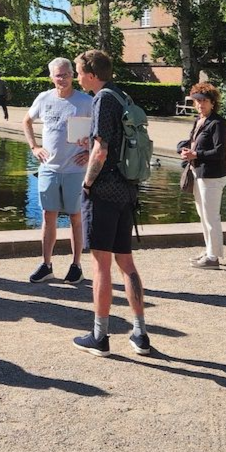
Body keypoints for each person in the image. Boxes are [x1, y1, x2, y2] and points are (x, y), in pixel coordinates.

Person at [72, 49, 152, 356]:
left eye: (80, 72)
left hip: (104, 191)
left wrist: (87, 183)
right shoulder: (121, 95)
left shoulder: (102, 99)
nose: (78, 78)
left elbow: (101, 150)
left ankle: (100, 336)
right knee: (126, 262)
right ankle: (140, 333)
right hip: (127, 189)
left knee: (100, 265)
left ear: (92, 75)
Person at [23, 57, 93, 284]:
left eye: (66, 74)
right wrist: (34, 147)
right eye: (58, 75)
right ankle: (46, 264)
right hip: (49, 168)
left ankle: (76, 265)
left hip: (76, 169)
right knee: (48, 215)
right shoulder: (44, 98)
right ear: (51, 77)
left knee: (76, 217)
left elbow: (101, 131)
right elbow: (26, 121)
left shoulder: (86, 101)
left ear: (72, 75)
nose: (62, 79)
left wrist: (90, 151)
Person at [178, 82, 226, 270]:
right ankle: (209, 251)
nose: (200, 104)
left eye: (204, 101)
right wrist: (183, 149)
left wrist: (196, 154)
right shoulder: (199, 120)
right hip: (199, 173)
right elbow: (192, 141)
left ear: (212, 102)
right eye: (197, 101)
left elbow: (219, 152)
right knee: (203, 215)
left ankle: (213, 257)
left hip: (212, 176)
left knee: (211, 217)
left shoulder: (218, 123)